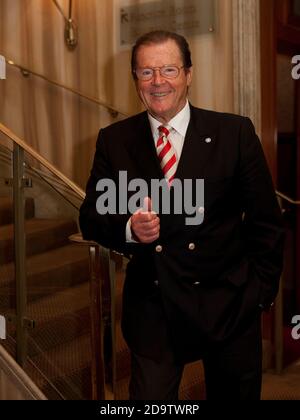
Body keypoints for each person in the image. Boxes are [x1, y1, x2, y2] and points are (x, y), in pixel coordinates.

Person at [79, 30, 285, 400]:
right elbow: (91, 215)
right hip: (155, 311)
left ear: (188, 74)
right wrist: (128, 227)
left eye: (169, 69)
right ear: (135, 80)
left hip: (229, 305)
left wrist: (259, 294)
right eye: (146, 72)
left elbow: (266, 223)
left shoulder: (234, 132)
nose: (158, 82)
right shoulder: (114, 140)